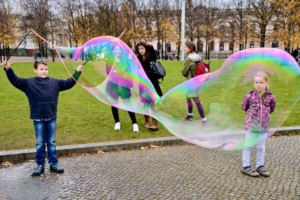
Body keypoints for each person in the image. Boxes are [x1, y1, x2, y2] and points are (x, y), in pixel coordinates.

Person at [2, 54, 84, 176]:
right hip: (38, 118)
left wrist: (77, 72)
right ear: (35, 70)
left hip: (51, 117)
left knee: (51, 142)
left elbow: (69, 83)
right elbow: (15, 80)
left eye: (46, 69)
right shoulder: (29, 83)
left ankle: (53, 163)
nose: (44, 71)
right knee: (40, 142)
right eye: (41, 69)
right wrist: (8, 69)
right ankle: (40, 164)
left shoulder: (55, 82)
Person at [241, 71, 276, 177]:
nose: (258, 84)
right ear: (253, 83)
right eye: (256, 82)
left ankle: (260, 165)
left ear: (266, 83)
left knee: (261, 147)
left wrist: (264, 117)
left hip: (264, 127)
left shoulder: (271, 97)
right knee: (248, 146)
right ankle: (246, 165)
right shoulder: (249, 96)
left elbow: (272, 108)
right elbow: (244, 107)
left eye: (261, 82)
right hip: (251, 126)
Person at [105, 44, 139, 132]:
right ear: (113, 51)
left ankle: (134, 123)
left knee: (128, 104)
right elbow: (108, 72)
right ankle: (117, 122)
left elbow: (129, 72)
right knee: (114, 103)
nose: (118, 51)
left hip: (123, 85)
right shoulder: (110, 61)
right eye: (115, 49)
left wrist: (121, 72)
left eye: (119, 49)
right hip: (113, 85)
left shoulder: (125, 60)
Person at [136, 42, 163, 131]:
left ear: (145, 48)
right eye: (139, 49)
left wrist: (150, 46)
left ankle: (155, 123)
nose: (140, 50)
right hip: (143, 84)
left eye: (142, 48)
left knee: (153, 103)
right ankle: (147, 121)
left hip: (151, 83)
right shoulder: (138, 58)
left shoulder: (150, 56)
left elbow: (154, 55)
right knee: (145, 103)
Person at [181, 41, 207, 124]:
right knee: (188, 97)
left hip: (191, 82)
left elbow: (183, 72)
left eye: (185, 47)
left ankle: (204, 120)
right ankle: (190, 115)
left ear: (190, 48)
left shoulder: (189, 59)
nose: (184, 48)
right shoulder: (198, 57)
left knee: (196, 100)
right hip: (198, 80)